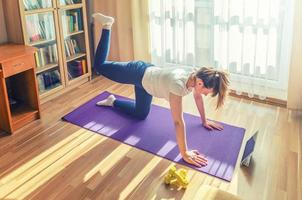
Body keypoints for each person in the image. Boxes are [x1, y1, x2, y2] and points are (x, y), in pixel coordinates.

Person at [92, 13, 230, 168]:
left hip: (147, 84)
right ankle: (107, 25)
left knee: (140, 114)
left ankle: (113, 101)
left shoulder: (195, 77)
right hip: (137, 72)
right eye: (207, 91)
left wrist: (204, 121)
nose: (205, 94)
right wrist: (184, 153)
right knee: (100, 66)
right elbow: (178, 122)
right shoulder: (179, 85)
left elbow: (198, 97)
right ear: (200, 82)